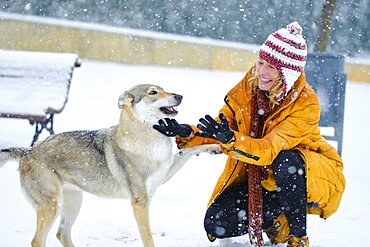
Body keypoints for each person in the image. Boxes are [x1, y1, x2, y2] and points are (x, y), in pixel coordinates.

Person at [153, 21, 345, 247]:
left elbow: (269, 149)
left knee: (286, 162)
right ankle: (274, 217)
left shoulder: (306, 104)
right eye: (261, 62)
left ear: (288, 74)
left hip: (309, 174)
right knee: (216, 223)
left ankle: (297, 235)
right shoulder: (252, 84)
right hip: (262, 177)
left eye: (271, 67)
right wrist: (186, 132)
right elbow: (222, 127)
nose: (261, 71)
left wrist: (232, 140)